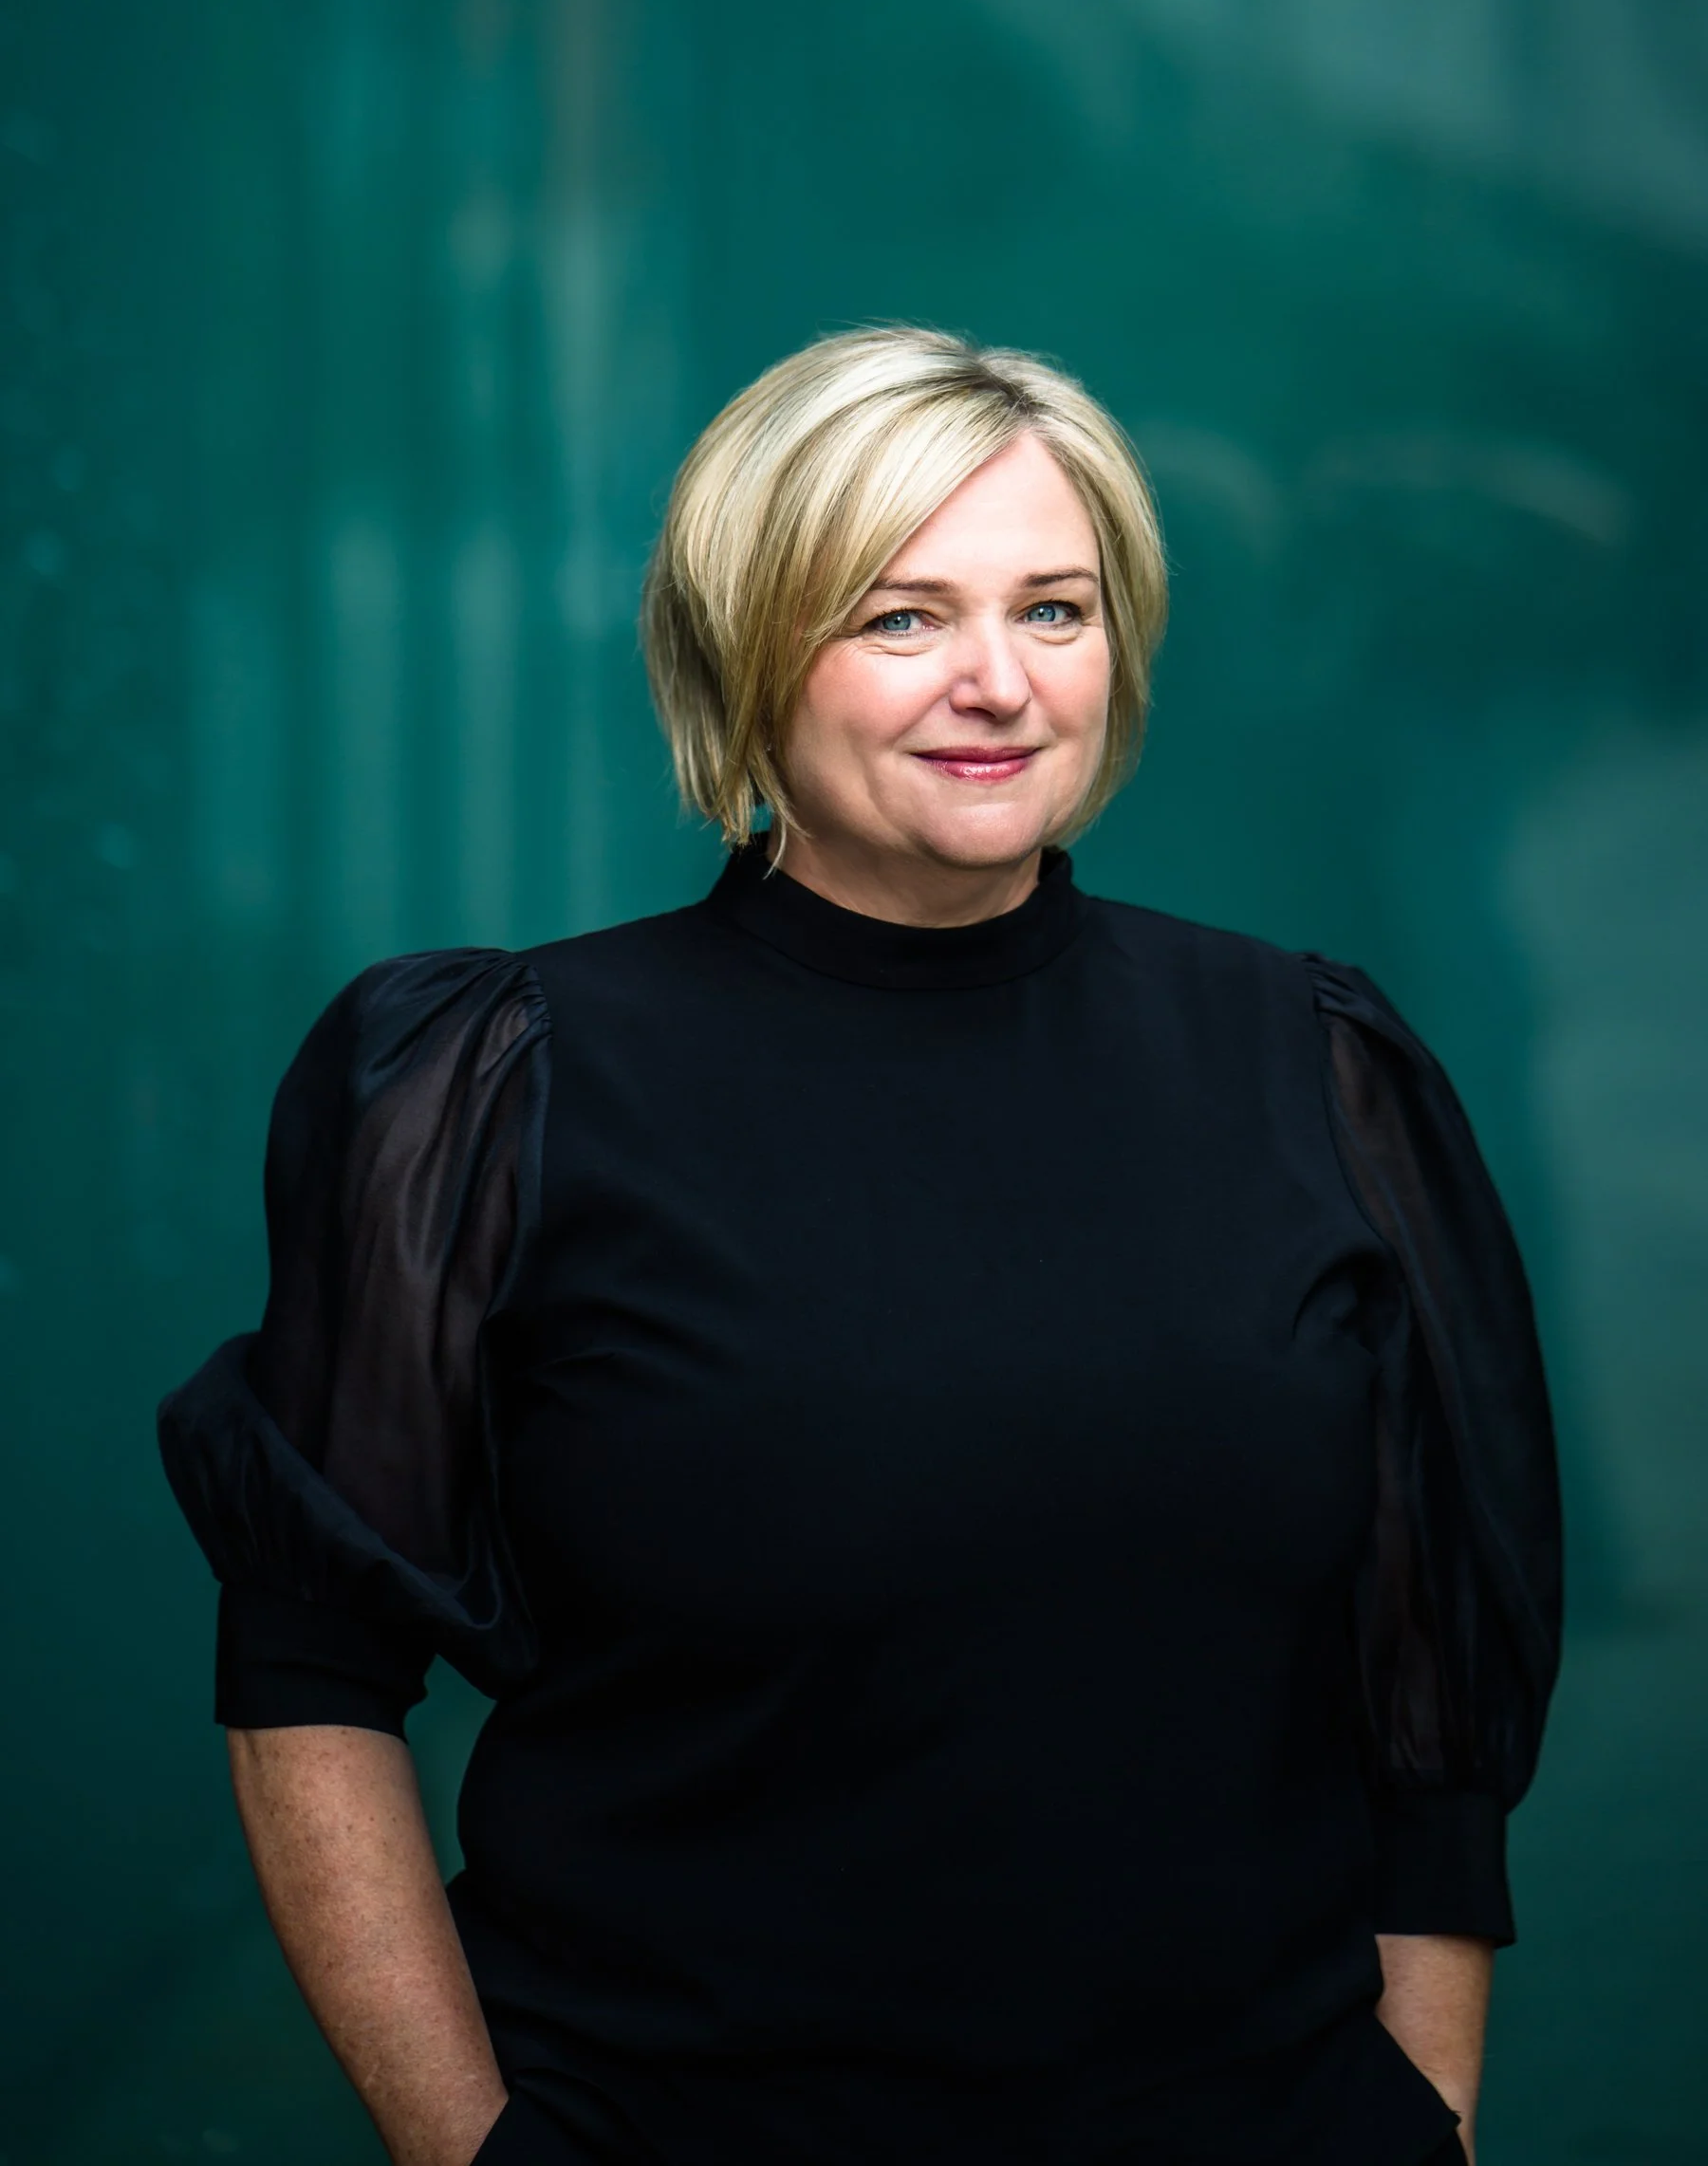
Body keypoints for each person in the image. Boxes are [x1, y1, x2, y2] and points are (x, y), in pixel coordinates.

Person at [158, 326, 1562, 2166]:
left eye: (1054, 610)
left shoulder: (1315, 1060)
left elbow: (1426, 1678)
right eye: (902, 618)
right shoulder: (499, 1089)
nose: (996, 683)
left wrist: (1422, 2117)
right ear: (753, 651)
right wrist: (474, 2154)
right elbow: (306, 1681)